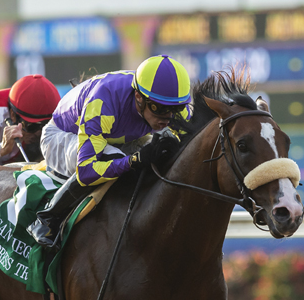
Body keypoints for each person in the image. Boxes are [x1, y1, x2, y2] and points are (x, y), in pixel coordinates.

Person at [27, 55, 192, 248]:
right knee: (114, 157)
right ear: (139, 97)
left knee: (164, 152)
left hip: (116, 135)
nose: (168, 117)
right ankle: (48, 218)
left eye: (175, 109)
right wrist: (132, 161)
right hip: (62, 136)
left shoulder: (169, 103)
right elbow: (86, 172)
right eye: (159, 108)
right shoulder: (104, 100)